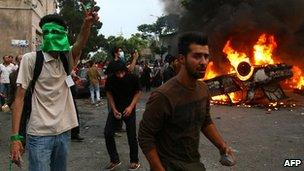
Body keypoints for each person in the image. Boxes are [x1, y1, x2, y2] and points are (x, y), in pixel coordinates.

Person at [10, 10, 98, 171]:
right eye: (46, 32)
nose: (50, 36)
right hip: (39, 134)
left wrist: (87, 24)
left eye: (56, 32)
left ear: (64, 35)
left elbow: (80, 42)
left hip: (64, 132)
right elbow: (19, 98)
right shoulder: (31, 59)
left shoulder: (67, 58)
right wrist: (16, 137)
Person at [138, 32, 236, 171]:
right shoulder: (163, 95)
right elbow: (145, 136)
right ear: (182, 59)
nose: (203, 62)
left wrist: (222, 146)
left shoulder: (203, 89)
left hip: (193, 163)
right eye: (196, 56)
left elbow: (205, 121)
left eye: (206, 56)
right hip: (169, 166)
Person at [104, 61, 141, 170]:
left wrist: (131, 107)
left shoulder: (132, 77)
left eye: (122, 73)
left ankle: (134, 161)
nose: (120, 75)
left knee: (131, 136)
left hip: (129, 109)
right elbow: (109, 93)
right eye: (117, 73)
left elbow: (138, 92)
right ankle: (114, 160)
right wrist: (113, 109)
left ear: (125, 70)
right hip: (116, 110)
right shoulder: (111, 79)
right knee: (108, 133)